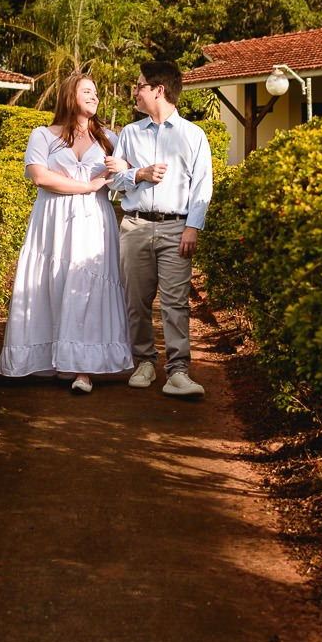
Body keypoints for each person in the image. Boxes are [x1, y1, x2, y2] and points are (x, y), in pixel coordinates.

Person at [0, 71, 133, 392]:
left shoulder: (109, 138)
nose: (94, 97)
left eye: (96, 92)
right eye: (87, 91)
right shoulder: (43, 135)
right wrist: (87, 185)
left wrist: (124, 169)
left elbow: (126, 175)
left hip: (94, 223)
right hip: (53, 221)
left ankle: (82, 368)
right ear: (70, 95)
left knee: (88, 288)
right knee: (52, 284)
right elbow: (39, 176)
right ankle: (53, 358)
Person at [104, 58, 214, 398]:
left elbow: (202, 186)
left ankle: (178, 371)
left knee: (176, 302)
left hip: (176, 228)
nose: (135, 92)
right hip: (135, 225)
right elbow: (113, 181)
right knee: (135, 300)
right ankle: (145, 363)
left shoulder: (194, 135)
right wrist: (139, 173)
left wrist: (193, 227)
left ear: (159, 90)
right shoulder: (130, 133)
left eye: (140, 86)